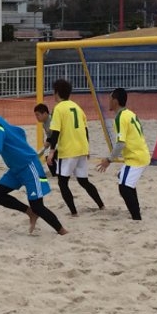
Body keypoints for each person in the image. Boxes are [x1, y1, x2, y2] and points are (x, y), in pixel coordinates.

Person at [0, 99, 67, 235]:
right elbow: (19, 131)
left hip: (29, 166)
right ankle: (30, 213)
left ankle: (62, 231)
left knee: (37, 205)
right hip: (16, 169)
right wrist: (19, 146)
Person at [46, 79, 105, 216]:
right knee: (83, 181)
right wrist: (87, 148)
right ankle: (101, 206)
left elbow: (56, 132)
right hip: (82, 148)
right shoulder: (77, 107)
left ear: (57, 93)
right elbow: (85, 130)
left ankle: (73, 212)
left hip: (68, 150)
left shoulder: (58, 109)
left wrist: (51, 152)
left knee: (62, 182)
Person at [96, 88, 150, 220]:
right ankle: (136, 214)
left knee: (124, 188)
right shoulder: (130, 114)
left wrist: (109, 160)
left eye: (110, 99)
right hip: (141, 154)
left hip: (136, 157)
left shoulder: (120, 118)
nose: (108, 101)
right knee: (127, 185)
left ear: (115, 101)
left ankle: (136, 218)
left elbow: (121, 143)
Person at [33, 103, 57, 176]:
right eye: (35, 115)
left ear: (45, 113)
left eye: (38, 115)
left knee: (50, 158)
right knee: (48, 157)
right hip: (57, 143)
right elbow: (50, 137)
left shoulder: (52, 121)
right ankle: (56, 174)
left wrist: (50, 150)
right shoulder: (44, 123)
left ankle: (57, 174)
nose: (36, 117)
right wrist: (44, 147)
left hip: (64, 144)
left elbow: (55, 136)